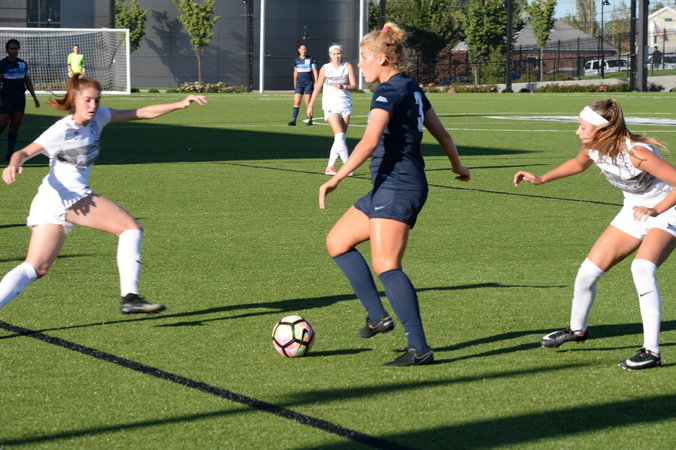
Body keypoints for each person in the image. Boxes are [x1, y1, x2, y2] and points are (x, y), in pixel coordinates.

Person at [319, 23, 470, 367]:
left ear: (382, 58)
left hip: (399, 185)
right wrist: (457, 166)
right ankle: (377, 316)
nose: (359, 64)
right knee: (337, 241)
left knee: (386, 265)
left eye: (363, 57)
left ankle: (419, 348)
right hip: (388, 184)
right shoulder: (411, 88)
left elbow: (369, 141)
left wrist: (336, 178)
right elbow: (443, 135)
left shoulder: (388, 91)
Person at [0, 75, 207, 316]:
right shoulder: (63, 129)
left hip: (51, 200)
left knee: (36, 267)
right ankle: (130, 297)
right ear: (75, 99)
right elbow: (24, 152)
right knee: (130, 229)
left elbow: (142, 112)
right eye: (87, 100)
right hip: (67, 197)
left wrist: (179, 104)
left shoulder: (100, 117)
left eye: (96, 100)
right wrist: (14, 164)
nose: (93, 106)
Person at [514, 99, 675, 370]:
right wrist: (540, 179)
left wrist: (656, 209)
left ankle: (652, 352)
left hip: (668, 211)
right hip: (635, 212)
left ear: (603, 129)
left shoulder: (637, 153)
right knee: (587, 272)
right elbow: (578, 164)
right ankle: (577, 330)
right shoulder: (594, 147)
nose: (578, 131)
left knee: (642, 269)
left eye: (583, 127)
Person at [307, 44, 357, 175]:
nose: (336, 56)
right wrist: (310, 105)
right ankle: (348, 167)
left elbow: (354, 86)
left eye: (338, 53)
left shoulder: (347, 66)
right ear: (330, 55)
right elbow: (318, 87)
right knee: (339, 135)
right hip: (330, 104)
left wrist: (343, 86)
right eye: (334, 54)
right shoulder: (325, 68)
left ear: (342, 54)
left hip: (345, 104)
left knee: (340, 138)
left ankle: (330, 167)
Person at [0, 39, 40, 162]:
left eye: (15, 48)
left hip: (19, 99)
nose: (13, 51)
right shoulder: (2, 64)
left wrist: (34, 97)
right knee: (2, 125)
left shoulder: (22, 64)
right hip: (6, 98)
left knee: (15, 126)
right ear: (7, 50)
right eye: (11, 48)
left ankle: (10, 152)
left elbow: (27, 81)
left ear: (18, 50)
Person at [288, 43, 317, 126]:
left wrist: (316, 82)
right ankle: (293, 120)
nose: (303, 51)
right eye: (302, 49)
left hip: (308, 83)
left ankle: (310, 119)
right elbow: (295, 72)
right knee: (296, 102)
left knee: (308, 102)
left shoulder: (311, 59)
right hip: (299, 84)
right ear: (299, 50)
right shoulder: (296, 60)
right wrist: (295, 82)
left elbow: (315, 71)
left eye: (305, 49)